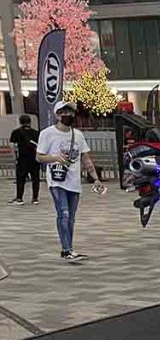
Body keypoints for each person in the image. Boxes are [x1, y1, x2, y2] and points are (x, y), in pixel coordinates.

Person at [36, 101, 106, 261]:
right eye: (63, 112)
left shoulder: (78, 135)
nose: (67, 115)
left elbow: (85, 157)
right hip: (57, 180)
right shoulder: (47, 134)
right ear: (57, 115)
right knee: (64, 213)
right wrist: (55, 158)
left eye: (70, 112)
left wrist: (95, 178)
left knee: (71, 217)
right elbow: (39, 156)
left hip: (74, 181)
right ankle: (67, 249)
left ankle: (68, 248)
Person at [8, 114, 40, 205]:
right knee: (35, 179)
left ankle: (19, 198)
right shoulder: (36, 133)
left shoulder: (16, 132)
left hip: (22, 159)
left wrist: (14, 157)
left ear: (20, 122)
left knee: (20, 179)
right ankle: (35, 198)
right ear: (30, 122)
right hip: (34, 159)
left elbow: (12, 145)